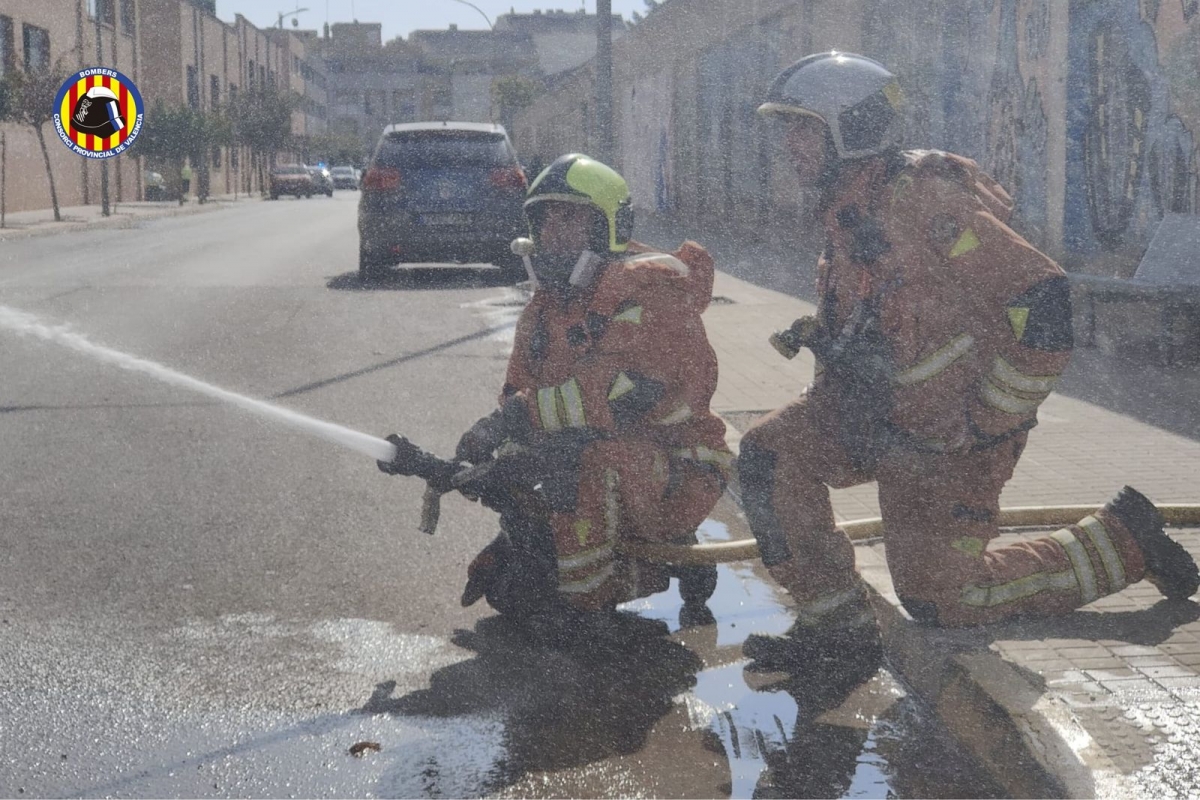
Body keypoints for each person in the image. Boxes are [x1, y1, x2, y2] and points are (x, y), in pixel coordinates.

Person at [738, 52, 1199, 675]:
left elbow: (1045, 303)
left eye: (803, 128)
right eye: (786, 129)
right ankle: (839, 628)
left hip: (947, 443)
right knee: (770, 456)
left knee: (944, 598)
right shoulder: (845, 206)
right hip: (875, 418)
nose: (788, 145)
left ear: (853, 128)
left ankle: (1124, 541)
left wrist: (986, 422)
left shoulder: (928, 204)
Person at [455, 153, 733, 616]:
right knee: (511, 586)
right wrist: (497, 464)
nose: (553, 234)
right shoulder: (544, 311)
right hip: (605, 454)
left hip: (678, 466)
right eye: (545, 221)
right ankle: (574, 559)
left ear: (608, 227)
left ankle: (591, 604)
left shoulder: (649, 294)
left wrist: (507, 422)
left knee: (579, 462)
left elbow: (606, 400)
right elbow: (519, 394)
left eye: (570, 219)